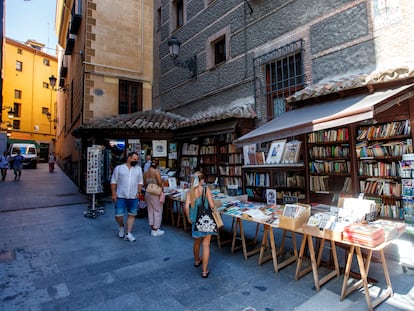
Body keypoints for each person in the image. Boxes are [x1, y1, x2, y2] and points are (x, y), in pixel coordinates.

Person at [184, 171, 216, 278]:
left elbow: (186, 207)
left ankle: (197, 260)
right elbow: (211, 205)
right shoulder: (206, 190)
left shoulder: (190, 192)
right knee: (206, 245)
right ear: (202, 180)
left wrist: (189, 218)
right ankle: (204, 270)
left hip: (195, 220)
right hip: (206, 220)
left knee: (197, 242)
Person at [110, 152, 143, 242]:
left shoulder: (138, 169)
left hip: (133, 195)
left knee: (131, 214)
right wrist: (113, 193)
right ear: (129, 158)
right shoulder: (119, 168)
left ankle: (128, 233)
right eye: (134, 159)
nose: (136, 161)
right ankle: (121, 226)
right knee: (118, 215)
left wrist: (139, 192)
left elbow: (140, 182)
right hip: (121, 195)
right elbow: (113, 181)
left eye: (137, 159)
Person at [144, 158, 165, 236]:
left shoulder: (146, 172)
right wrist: (162, 188)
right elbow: (159, 182)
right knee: (157, 210)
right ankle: (155, 229)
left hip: (148, 192)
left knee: (150, 210)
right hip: (155, 192)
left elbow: (144, 183)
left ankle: (152, 227)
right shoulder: (156, 171)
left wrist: (148, 187)